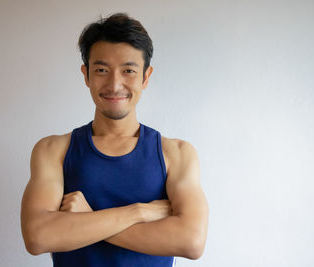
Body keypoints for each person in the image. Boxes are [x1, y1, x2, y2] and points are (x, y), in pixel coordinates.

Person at [20, 12, 209, 267]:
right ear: (86, 75)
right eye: (101, 70)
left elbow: (191, 241)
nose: (114, 84)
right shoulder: (53, 150)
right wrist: (140, 212)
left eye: (128, 70)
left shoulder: (176, 154)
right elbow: (38, 236)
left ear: (145, 77)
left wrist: (87, 219)